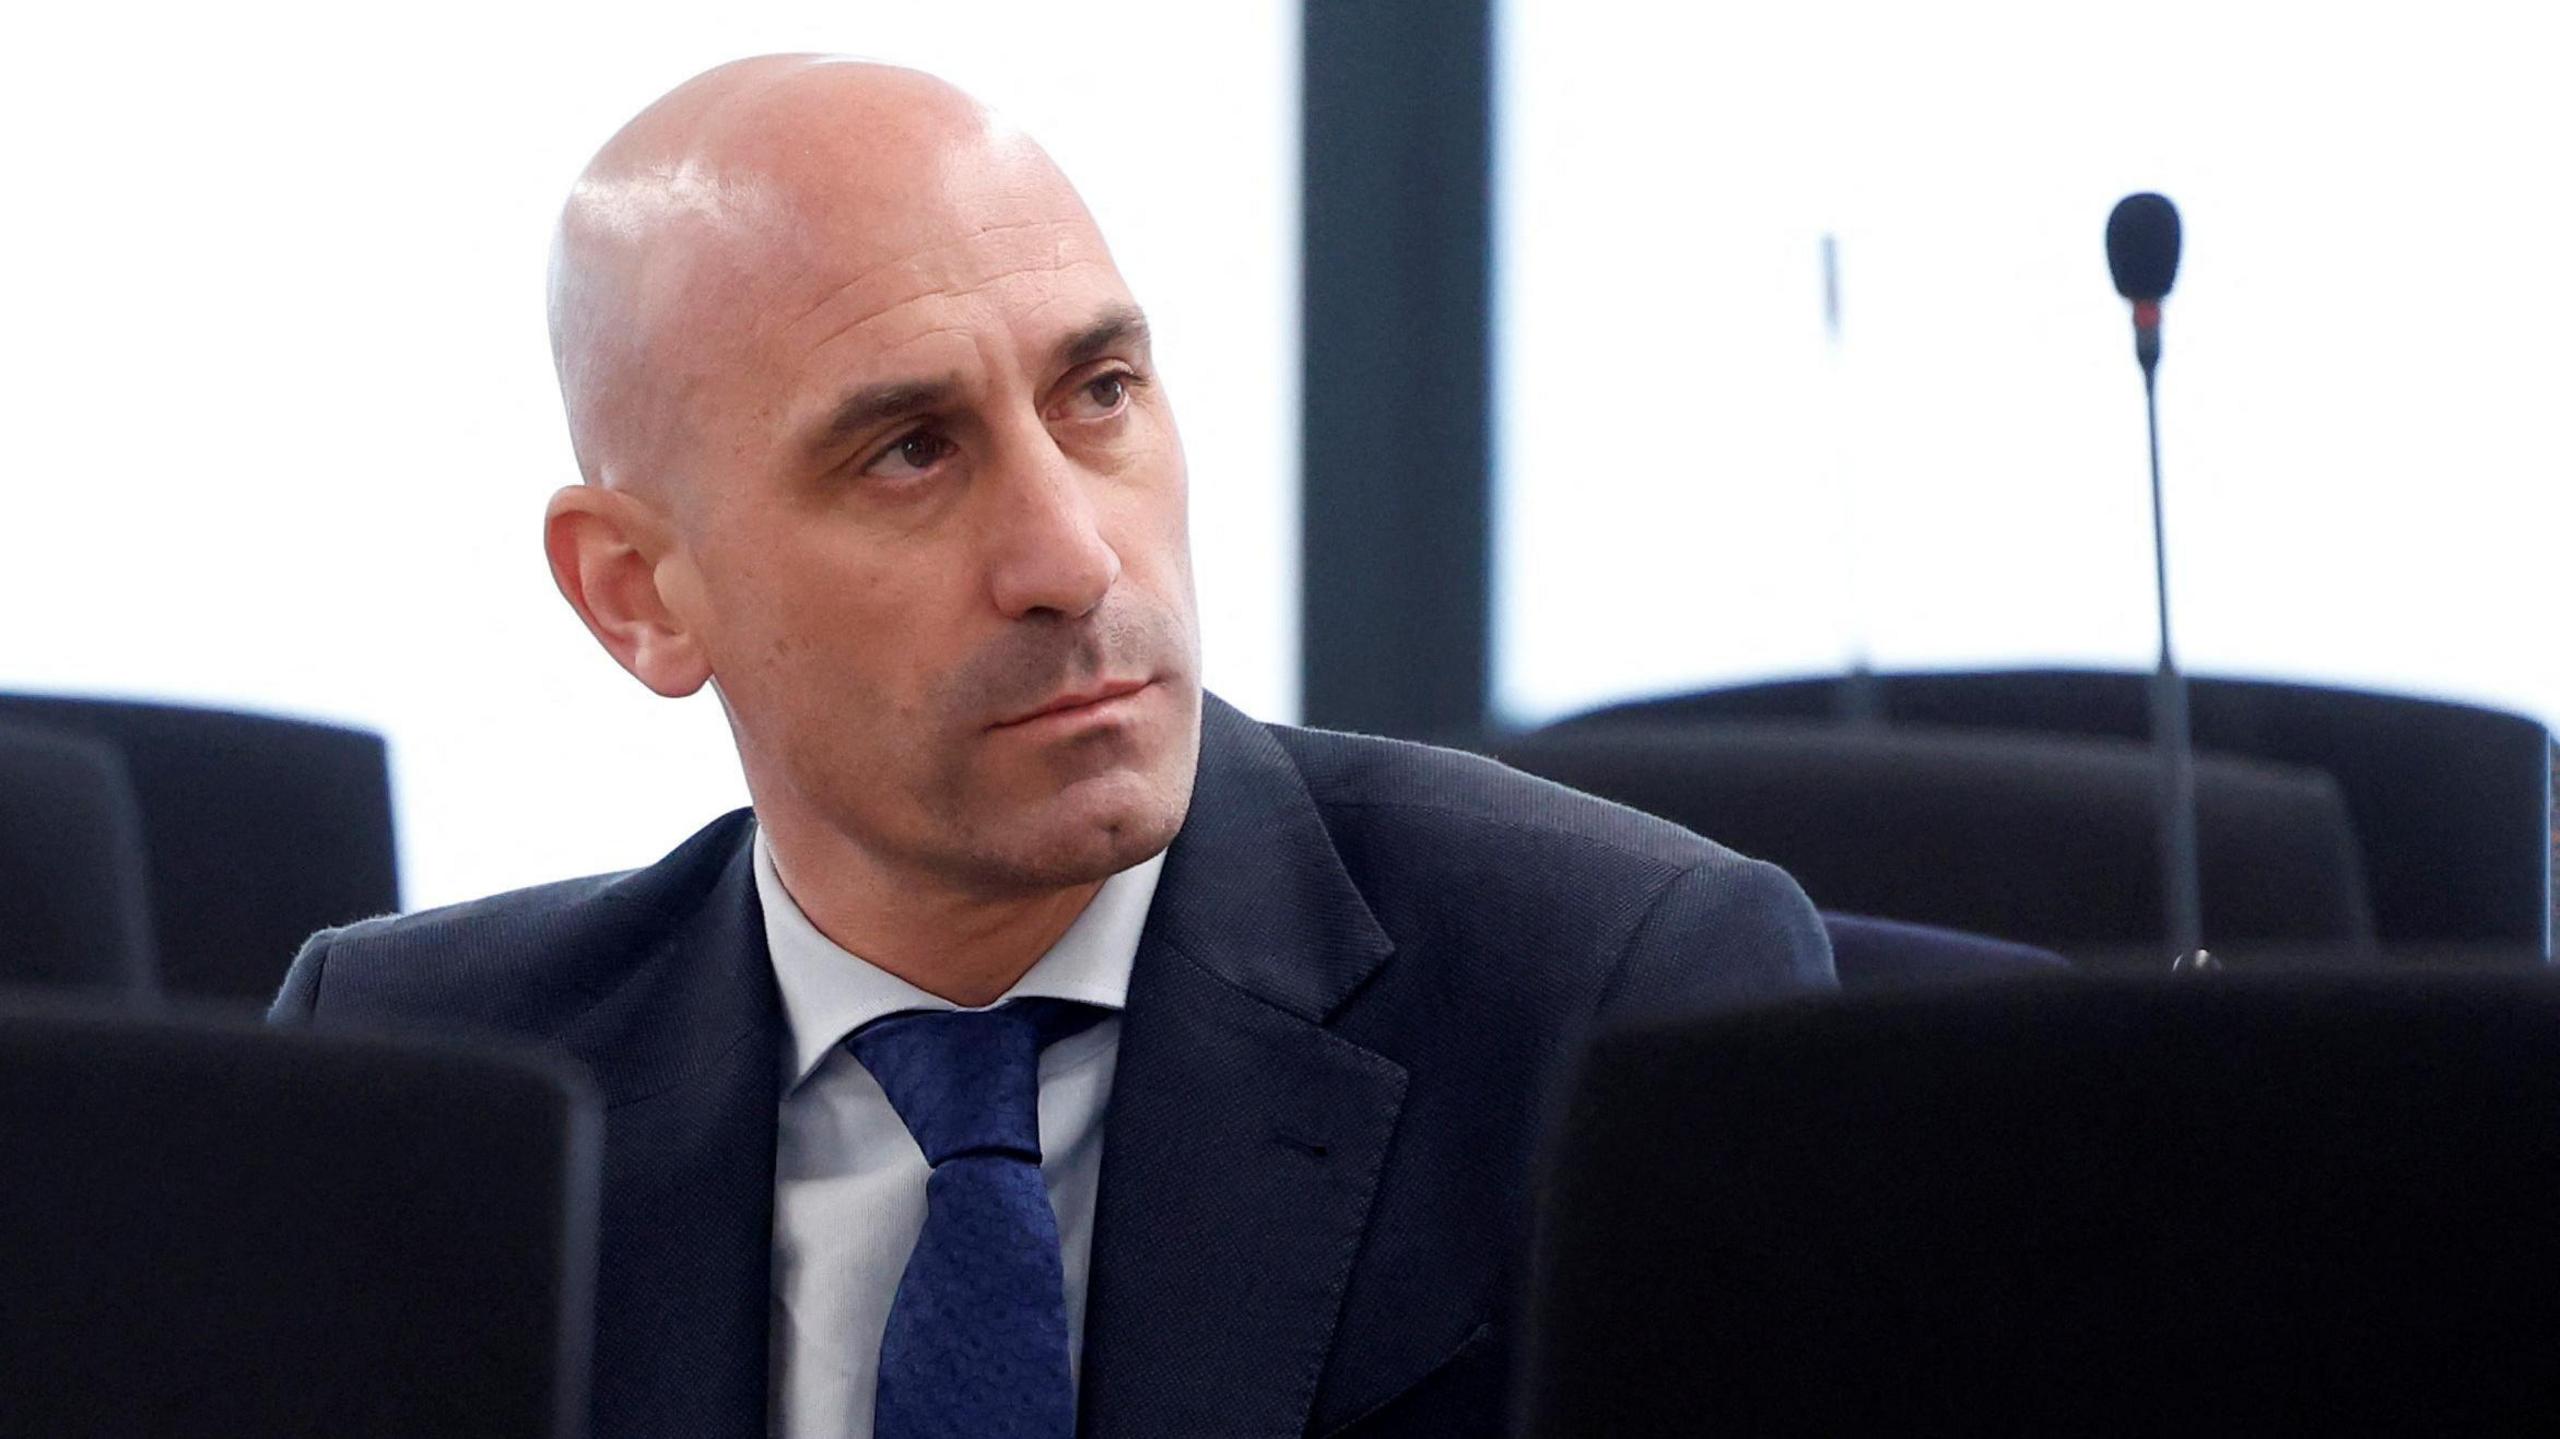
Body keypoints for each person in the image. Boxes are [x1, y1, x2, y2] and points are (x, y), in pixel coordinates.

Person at [270, 55, 1834, 1439]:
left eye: (1099, 393)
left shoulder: (1604, 1002)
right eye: (909, 451)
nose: (1071, 558)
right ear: (640, 597)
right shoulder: (419, 1077)